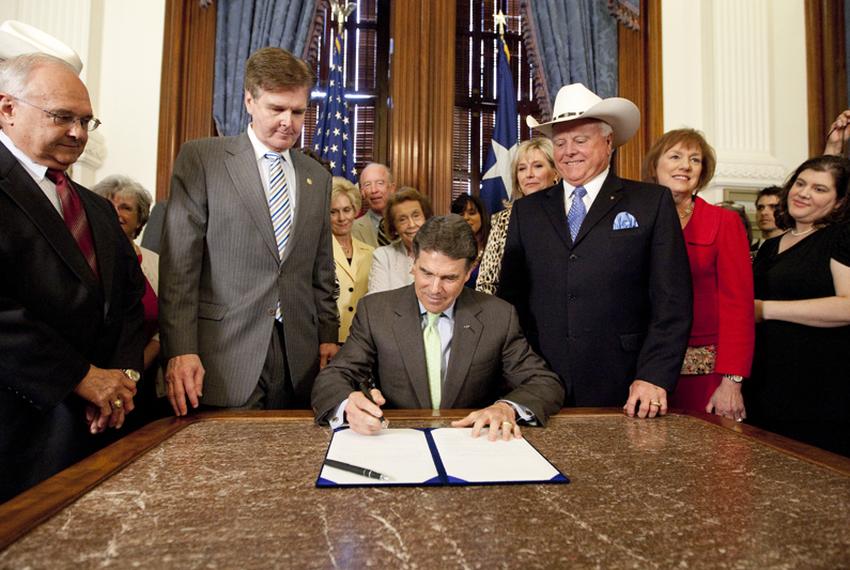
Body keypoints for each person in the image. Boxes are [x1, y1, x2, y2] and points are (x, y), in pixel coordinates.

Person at [159, 47, 339, 415]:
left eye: (298, 111)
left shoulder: (317, 177)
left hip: (298, 360)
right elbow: (180, 269)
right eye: (277, 109)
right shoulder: (202, 160)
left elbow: (322, 269)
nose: (289, 122)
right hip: (222, 356)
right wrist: (179, 349)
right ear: (249, 101)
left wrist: (327, 336)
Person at [499, 83, 692, 418]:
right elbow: (509, 302)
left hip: (626, 384)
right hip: (540, 381)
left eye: (580, 140)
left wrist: (653, 375)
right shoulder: (526, 212)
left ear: (607, 142)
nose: (568, 150)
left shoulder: (651, 203)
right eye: (560, 142)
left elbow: (672, 300)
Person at [0, 54, 145, 502]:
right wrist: (81, 378)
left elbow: (129, 303)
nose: (78, 133)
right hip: (22, 428)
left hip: (102, 426)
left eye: (86, 121)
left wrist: (119, 381)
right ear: (7, 109)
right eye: (63, 117)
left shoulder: (97, 208)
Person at [312, 215, 564, 440]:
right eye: (426, 273)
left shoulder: (498, 315)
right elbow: (332, 378)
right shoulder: (375, 311)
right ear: (412, 260)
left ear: (469, 272)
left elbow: (543, 382)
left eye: (449, 278)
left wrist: (506, 407)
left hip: (471, 443)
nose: (434, 289)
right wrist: (348, 404)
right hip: (395, 440)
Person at [643, 129, 754, 420]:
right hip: (643, 369)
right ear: (655, 166)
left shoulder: (724, 222)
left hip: (704, 374)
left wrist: (732, 381)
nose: (685, 165)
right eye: (676, 156)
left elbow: (738, 305)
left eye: (695, 159)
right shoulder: (633, 218)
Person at [745, 155, 850, 456]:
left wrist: (765, 309)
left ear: (840, 202)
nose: (804, 193)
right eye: (800, 183)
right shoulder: (770, 246)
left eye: (820, 189)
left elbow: (847, 306)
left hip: (822, 387)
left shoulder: (840, 237)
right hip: (768, 383)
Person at [92, 175, 168, 425]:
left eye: (126, 207)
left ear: (140, 218)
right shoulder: (86, 258)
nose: (116, 213)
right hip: (94, 383)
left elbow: (165, 325)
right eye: (108, 205)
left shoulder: (156, 263)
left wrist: (131, 374)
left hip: (144, 380)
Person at [476, 138, 559, 295]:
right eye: (522, 169)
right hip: (512, 312)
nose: (529, 174)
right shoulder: (503, 219)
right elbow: (487, 282)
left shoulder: (570, 215)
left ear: (556, 172)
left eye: (538, 166)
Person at [330, 176, 374, 342]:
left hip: (361, 340)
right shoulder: (317, 252)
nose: (342, 218)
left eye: (347, 210)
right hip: (328, 340)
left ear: (355, 211)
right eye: (333, 212)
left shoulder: (371, 253)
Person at [367, 187, 433, 294]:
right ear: (395, 228)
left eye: (416, 216)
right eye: (402, 219)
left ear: (426, 218)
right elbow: (377, 302)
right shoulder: (383, 256)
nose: (411, 224)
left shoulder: (444, 252)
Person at [352, 162, 396, 247]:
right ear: (362, 193)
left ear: (392, 188)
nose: (374, 190)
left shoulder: (408, 223)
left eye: (380, 183)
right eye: (367, 185)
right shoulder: (353, 229)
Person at [450, 193, 489, 288]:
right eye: (461, 214)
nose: (466, 218)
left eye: (472, 213)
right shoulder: (449, 248)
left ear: (482, 215)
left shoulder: (495, 245)